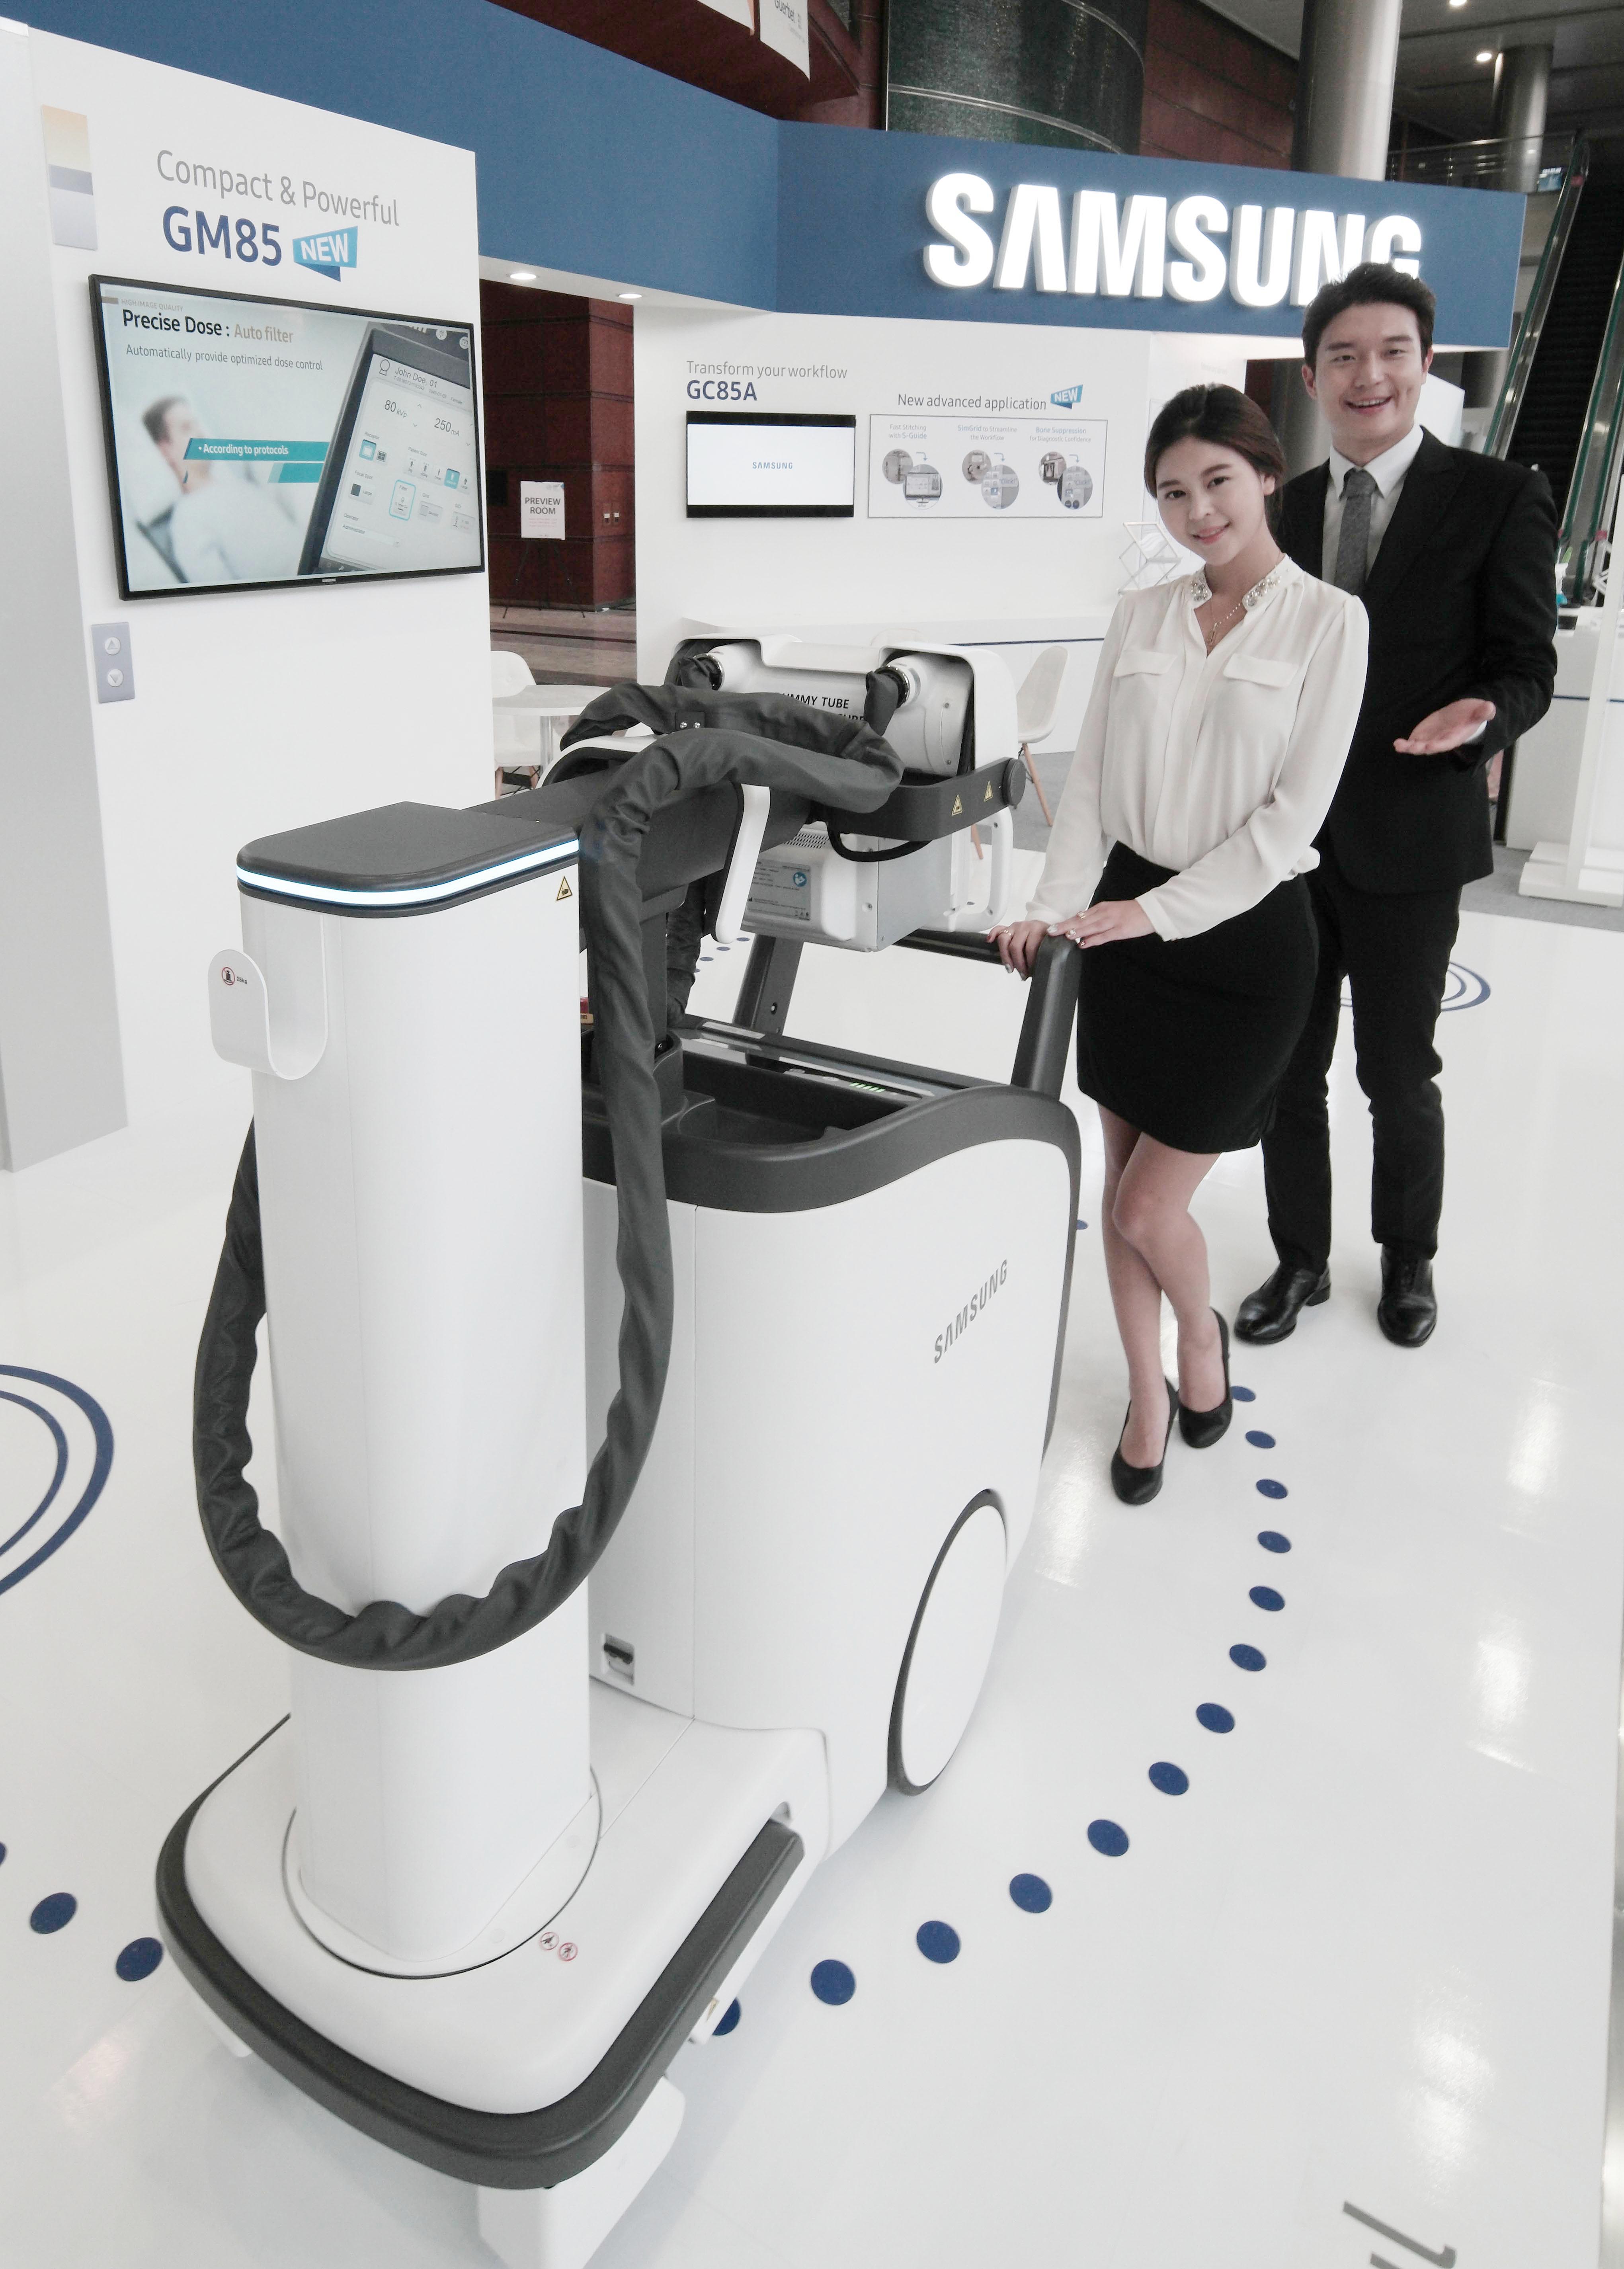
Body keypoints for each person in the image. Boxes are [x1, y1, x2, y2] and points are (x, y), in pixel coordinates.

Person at [991, 386, 1368, 1505]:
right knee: (1119, 1187)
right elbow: (1091, 785)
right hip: (1121, 926)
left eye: (1216, 482)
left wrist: (1153, 913)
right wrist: (1053, 906)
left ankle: (1198, 1337)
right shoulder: (1142, 614)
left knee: (1149, 1208)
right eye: (1171, 492)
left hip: (1244, 940)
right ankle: (1147, 1396)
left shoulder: (1329, 622)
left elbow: (1290, 822)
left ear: (1266, 477)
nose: (1197, 510)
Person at [1235, 264, 1558, 1351]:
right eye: (1342, 356)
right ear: (1311, 376)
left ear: (1424, 365)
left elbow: (1526, 665)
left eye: (1390, 352)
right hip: (1282, 841)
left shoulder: (1498, 496)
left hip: (1413, 836)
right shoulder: (1279, 510)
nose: (1366, 374)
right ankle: (1299, 1258)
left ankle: (1407, 1259)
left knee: (1396, 1072)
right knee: (1287, 1067)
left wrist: (1488, 717)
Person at [142, 395, 301, 586]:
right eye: (186, 428)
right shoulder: (187, 520)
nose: (200, 433)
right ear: (167, 450)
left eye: (196, 424)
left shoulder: (238, 486)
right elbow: (221, 592)